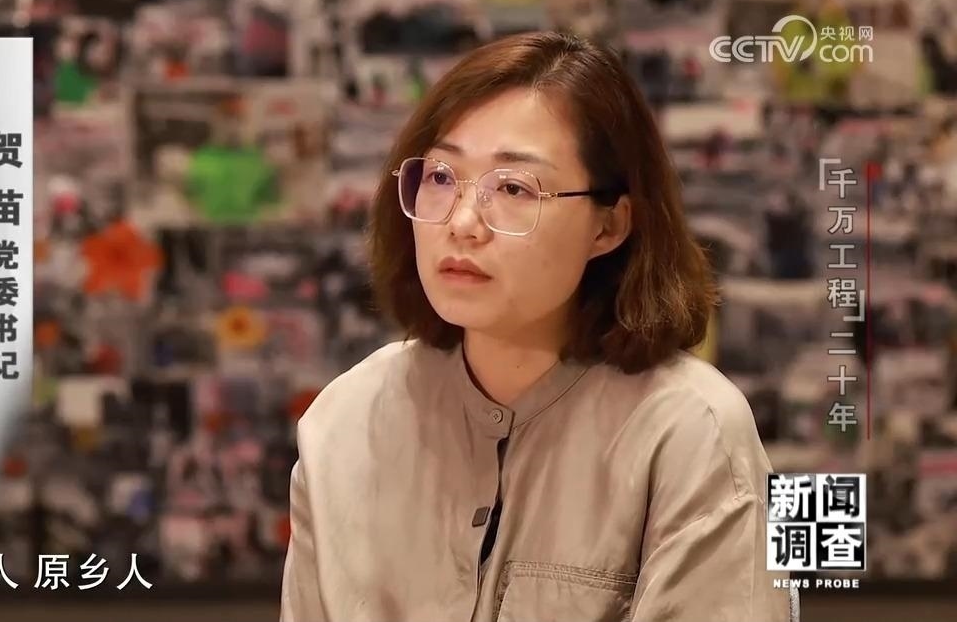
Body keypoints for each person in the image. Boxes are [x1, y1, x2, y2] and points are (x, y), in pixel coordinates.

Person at [280, 32, 791, 622]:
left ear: (609, 226)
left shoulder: (695, 430)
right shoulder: (345, 421)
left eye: (513, 188)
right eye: (441, 177)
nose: (463, 222)